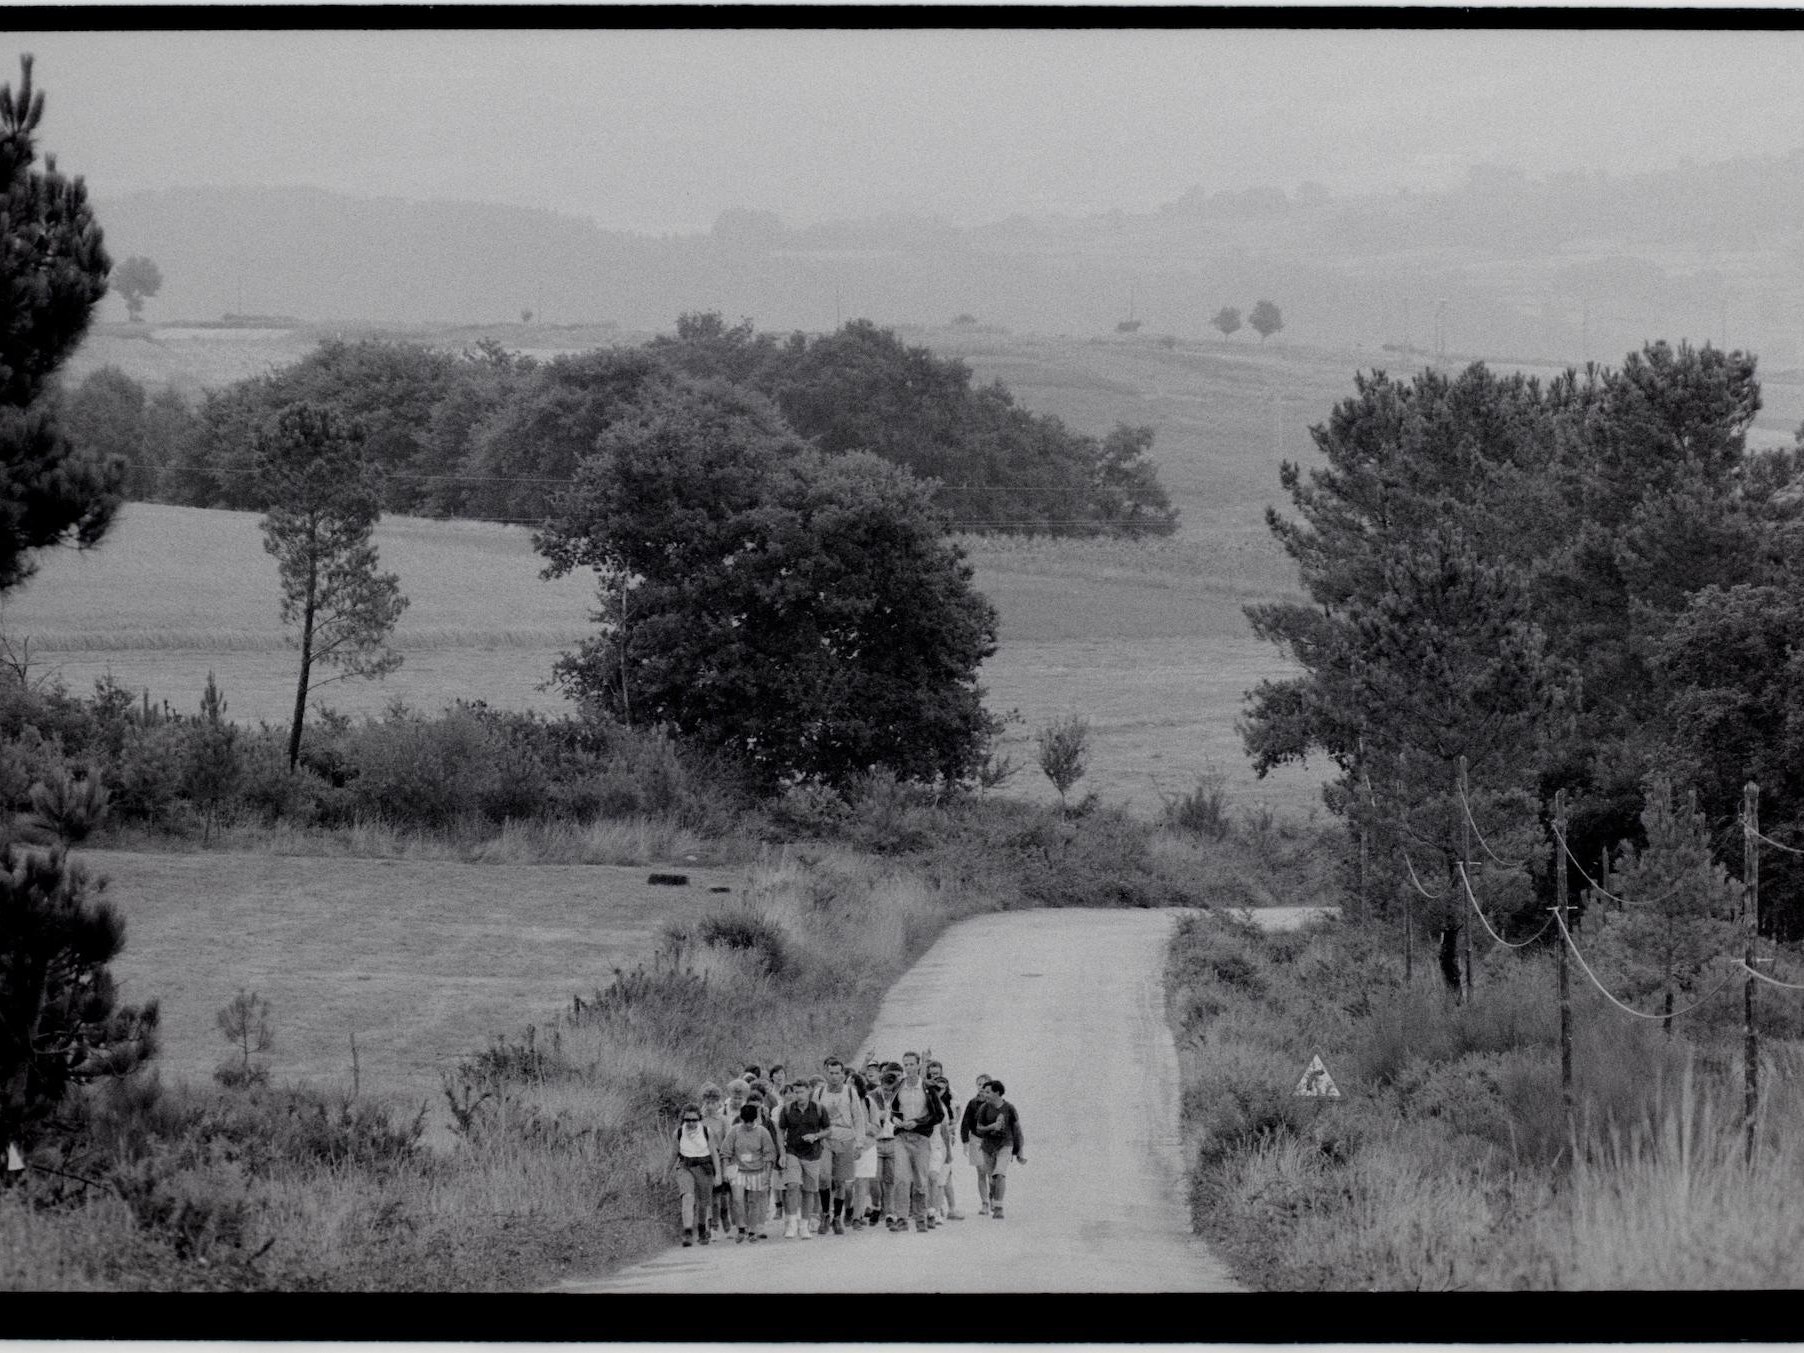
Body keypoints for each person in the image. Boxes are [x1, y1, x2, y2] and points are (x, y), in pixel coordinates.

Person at [888, 1050, 944, 1232]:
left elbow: (938, 1115)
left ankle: (921, 1218)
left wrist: (918, 1122)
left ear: (919, 1065)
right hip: (902, 1137)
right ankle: (902, 1218)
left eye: (912, 1064)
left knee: (920, 1179)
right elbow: (893, 1110)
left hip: (921, 1138)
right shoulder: (899, 1086)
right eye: (906, 1065)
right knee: (901, 1178)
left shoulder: (928, 1087)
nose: (909, 1068)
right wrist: (895, 1119)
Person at [815, 1056, 869, 1234]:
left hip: (846, 1139)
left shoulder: (850, 1092)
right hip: (825, 1139)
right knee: (824, 1177)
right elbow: (814, 1117)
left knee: (840, 1181)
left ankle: (837, 1217)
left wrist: (860, 1143)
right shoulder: (819, 1093)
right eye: (831, 1073)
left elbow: (859, 1119)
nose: (834, 1077)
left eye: (838, 1073)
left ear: (843, 1074)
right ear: (826, 1073)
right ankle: (825, 1214)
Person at [776, 1079, 830, 1238]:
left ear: (808, 1091)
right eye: (795, 1092)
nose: (798, 1095)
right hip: (792, 1151)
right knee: (792, 1185)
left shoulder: (819, 1109)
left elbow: (828, 1130)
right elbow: (780, 1131)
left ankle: (804, 1225)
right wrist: (782, 1153)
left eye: (801, 1092)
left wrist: (816, 1136)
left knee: (809, 1190)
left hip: (813, 1153)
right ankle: (791, 1223)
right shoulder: (787, 1110)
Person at [723, 1100, 780, 1242]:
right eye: (745, 1121)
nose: (748, 1125)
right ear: (741, 1119)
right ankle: (741, 1227)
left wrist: (767, 1174)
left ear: (756, 1119)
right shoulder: (735, 1131)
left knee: (754, 1201)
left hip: (757, 1170)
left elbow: (769, 1154)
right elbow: (726, 1153)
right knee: (737, 1199)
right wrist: (727, 1174)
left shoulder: (762, 1132)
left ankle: (753, 1230)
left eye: (751, 1122)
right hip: (737, 1170)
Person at [972, 1079, 1026, 1220]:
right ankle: (993, 1197)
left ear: (997, 1092)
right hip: (988, 1147)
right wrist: (991, 1127)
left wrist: (1020, 1151)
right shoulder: (984, 1108)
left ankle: (999, 1207)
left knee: (1000, 1174)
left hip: (1005, 1145)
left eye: (988, 1092)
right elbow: (978, 1128)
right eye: (984, 1092)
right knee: (992, 1180)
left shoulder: (1009, 1108)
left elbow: (1017, 1130)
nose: (985, 1094)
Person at [673, 1103, 721, 1247]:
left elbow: (714, 1154)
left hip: (704, 1167)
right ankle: (687, 1232)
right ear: (683, 1120)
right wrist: (666, 1172)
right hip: (685, 1167)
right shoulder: (678, 1133)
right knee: (687, 1196)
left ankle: (701, 1229)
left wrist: (718, 1174)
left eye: (694, 1119)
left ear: (699, 1119)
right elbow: (673, 1154)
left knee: (703, 1203)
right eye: (688, 1120)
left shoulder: (707, 1132)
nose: (691, 1123)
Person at [698, 1082, 733, 1235]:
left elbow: (728, 1140)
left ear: (718, 1102)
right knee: (709, 1194)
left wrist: (727, 1162)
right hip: (704, 1159)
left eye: (713, 1102)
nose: (710, 1106)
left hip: (720, 1157)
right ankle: (711, 1224)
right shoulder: (699, 1119)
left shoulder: (723, 1120)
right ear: (703, 1102)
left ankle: (724, 1214)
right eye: (707, 1102)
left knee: (723, 1193)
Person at [959, 1074, 994, 1214]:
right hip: (976, 1139)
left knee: (992, 1173)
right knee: (981, 1171)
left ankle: (993, 1201)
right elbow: (965, 1122)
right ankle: (984, 1202)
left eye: (985, 1084)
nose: (982, 1087)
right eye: (979, 1084)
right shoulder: (973, 1103)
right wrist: (965, 1142)